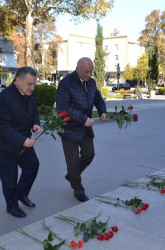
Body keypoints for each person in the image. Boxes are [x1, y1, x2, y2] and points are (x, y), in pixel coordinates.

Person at [0, 66, 41, 218]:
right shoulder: (3, 99)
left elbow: (33, 111)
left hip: (23, 141)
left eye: (34, 84)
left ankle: (21, 194)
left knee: (33, 166)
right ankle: (11, 206)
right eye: (29, 84)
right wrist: (22, 140)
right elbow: (2, 127)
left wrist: (35, 123)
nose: (32, 88)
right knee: (10, 178)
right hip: (5, 146)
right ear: (18, 80)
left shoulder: (29, 94)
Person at [56, 57, 107, 202]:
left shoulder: (91, 82)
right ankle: (78, 190)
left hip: (85, 129)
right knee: (72, 163)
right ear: (77, 69)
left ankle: (72, 175)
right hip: (69, 129)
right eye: (86, 71)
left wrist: (102, 111)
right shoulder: (66, 83)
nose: (89, 74)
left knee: (89, 154)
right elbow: (63, 108)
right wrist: (83, 119)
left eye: (91, 71)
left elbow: (97, 98)